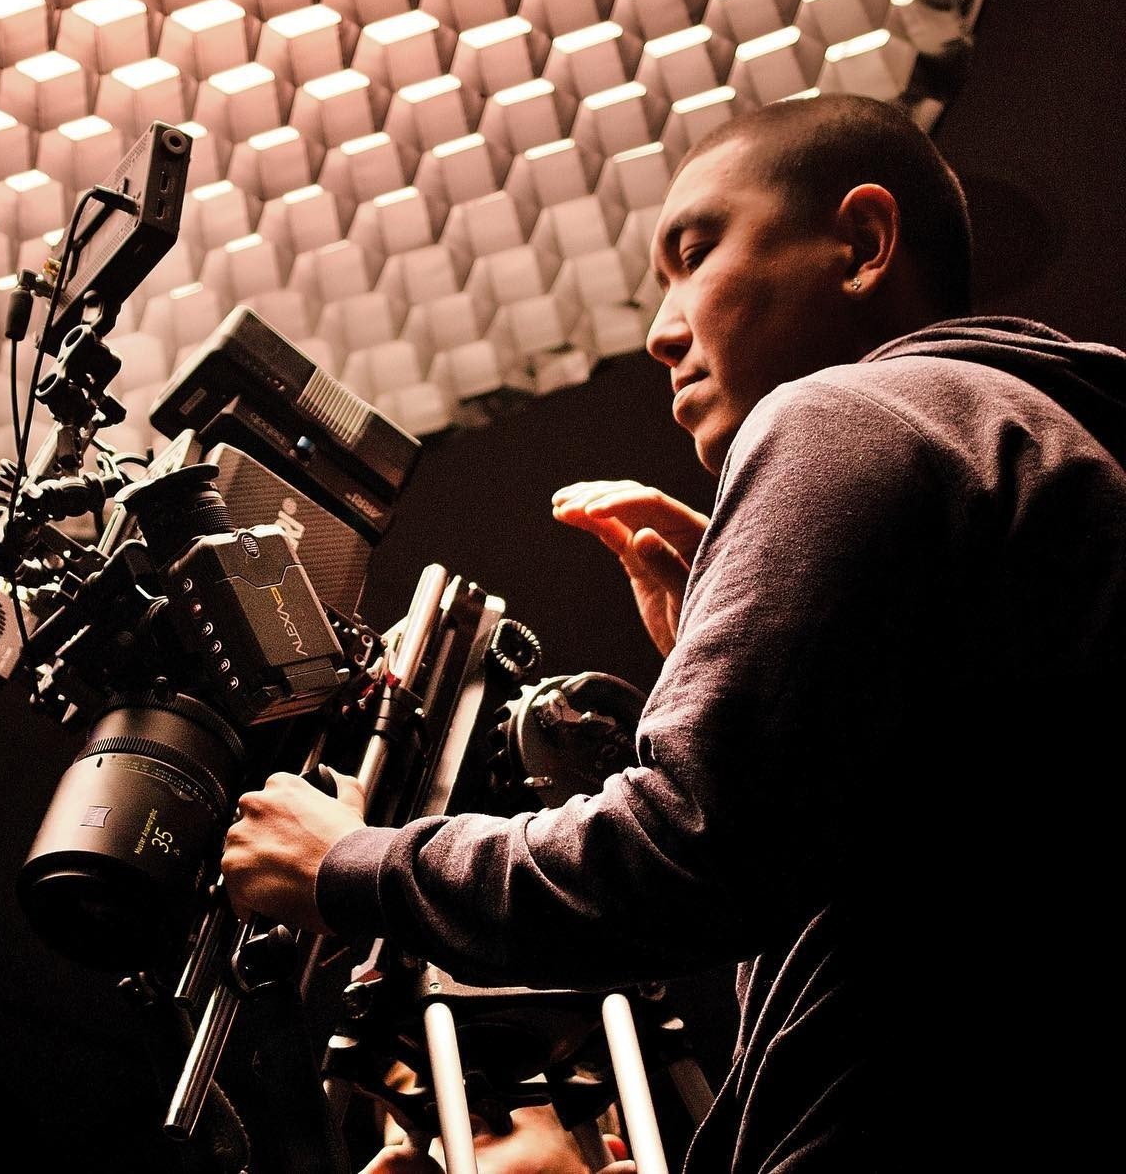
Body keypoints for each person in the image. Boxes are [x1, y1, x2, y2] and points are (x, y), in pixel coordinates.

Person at [222, 94, 1126, 1170]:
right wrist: (768, 651)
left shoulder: (844, 413)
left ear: (863, 244)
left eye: (694, 255)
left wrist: (350, 866)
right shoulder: (1055, 451)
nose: (660, 331)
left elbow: (684, 854)